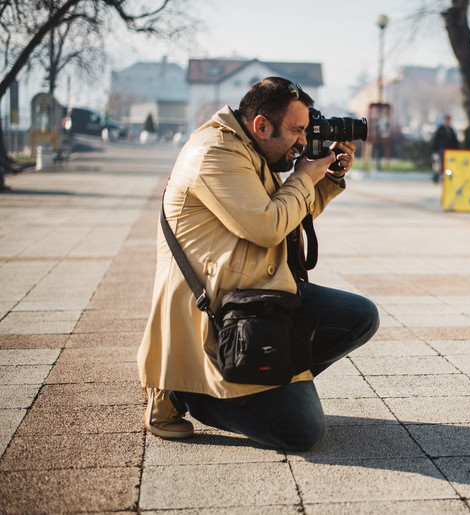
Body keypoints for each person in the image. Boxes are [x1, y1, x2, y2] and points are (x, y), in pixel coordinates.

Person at [137, 77, 380, 451]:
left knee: (359, 316)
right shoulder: (215, 154)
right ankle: (186, 393)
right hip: (220, 311)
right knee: (301, 432)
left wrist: (326, 180)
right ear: (261, 125)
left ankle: (268, 381)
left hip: (260, 296)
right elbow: (267, 226)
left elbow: (290, 211)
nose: (303, 140)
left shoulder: (249, 148)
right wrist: (303, 176)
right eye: (297, 130)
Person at [430, 115, 459, 183]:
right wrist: (434, 150)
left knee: (450, 164)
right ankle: (439, 177)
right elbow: (435, 140)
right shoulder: (440, 130)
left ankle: (448, 177)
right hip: (442, 149)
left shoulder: (451, 130)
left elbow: (455, 142)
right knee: (441, 164)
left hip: (450, 151)